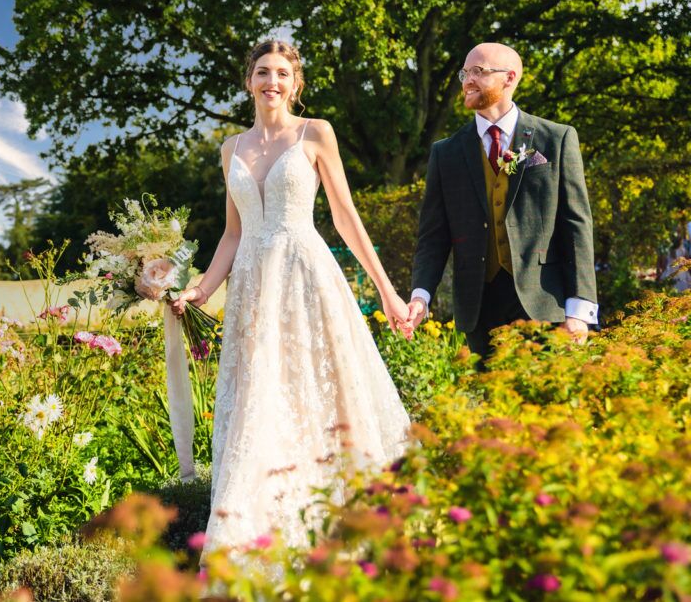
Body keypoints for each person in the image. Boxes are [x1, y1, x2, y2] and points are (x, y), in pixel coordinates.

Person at [170, 40, 412, 555]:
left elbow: (346, 218)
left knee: (316, 393)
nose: (271, 81)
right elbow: (233, 234)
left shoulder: (316, 133)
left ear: (295, 83)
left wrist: (388, 293)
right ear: (249, 81)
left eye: (282, 73)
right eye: (262, 72)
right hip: (253, 290)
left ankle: (343, 522)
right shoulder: (230, 149)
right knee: (261, 399)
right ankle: (259, 530)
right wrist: (200, 290)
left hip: (306, 278)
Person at [403, 42, 598, 361]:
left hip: (547, 304)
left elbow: (576, 225)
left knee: (547, 408)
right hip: (479, 307)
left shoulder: (556, 139)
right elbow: (433, 237)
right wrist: (421, 295)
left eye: (478, 72)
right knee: (492, 409)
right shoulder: (446, 152)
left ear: (510, 78)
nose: (468, 80)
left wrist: (579, 309)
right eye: (465, 72)